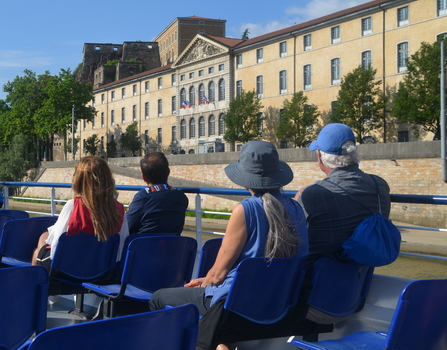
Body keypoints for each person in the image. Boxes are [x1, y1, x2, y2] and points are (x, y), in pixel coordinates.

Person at [149, 141, 308, 350]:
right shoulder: (296, 208)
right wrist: (204, 280)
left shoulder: (245, 210)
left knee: (159, 297)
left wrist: (203, 282)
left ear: (246, 179)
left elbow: (217, 276)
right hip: (276, 304)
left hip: (236, 305)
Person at [296, 123, 391, 269]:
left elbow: (294, 234)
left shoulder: (313, 194)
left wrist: (296, 202)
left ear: (320, 157)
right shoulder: (380, 185)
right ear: (353, 153)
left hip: (315, 282)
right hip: (359, 279)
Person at [31, 156, 129, 266]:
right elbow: (120, 251)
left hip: (69, 268)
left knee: (41, 242)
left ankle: (36, 281)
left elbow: (55, 251)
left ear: (77, 180)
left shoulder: (72, 206)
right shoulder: (119, 210)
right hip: (101, 268)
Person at [126, 152, 188, 234]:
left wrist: (130, 208)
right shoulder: (181, 197)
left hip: (145, 245)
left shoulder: (142, 197)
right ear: (168, 172)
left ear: (144, 177)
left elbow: (127, 227)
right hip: (173, 246)